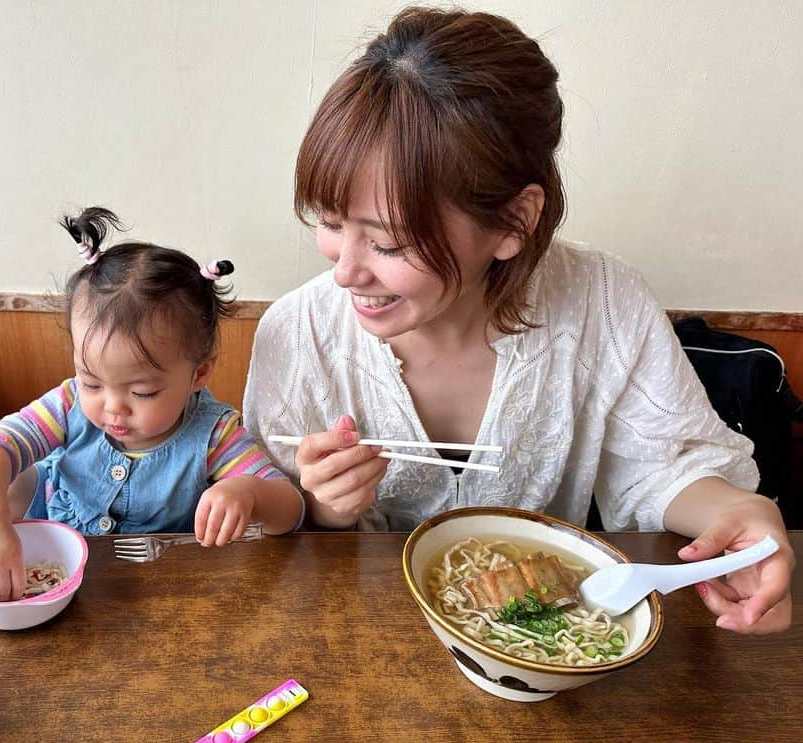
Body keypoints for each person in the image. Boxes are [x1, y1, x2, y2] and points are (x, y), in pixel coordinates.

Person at [243, 7, 793, 633]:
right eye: (331, 224)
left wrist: (742, 511)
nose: (345, 271)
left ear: (513, 221)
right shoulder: (298, 334)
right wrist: (327, 505)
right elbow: (273, 528)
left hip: (545, 636)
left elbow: (665, 466)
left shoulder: (602, 300)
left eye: (388, 243)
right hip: (363, 643)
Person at [0, 207, 303, 601]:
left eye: (142, 393)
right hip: (54, 570)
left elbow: (289, 510)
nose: (113, 408)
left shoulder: (213, 433)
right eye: (92, 382)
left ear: (199, 374)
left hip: (161, 590)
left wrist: (249, 493)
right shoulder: (69, 404)